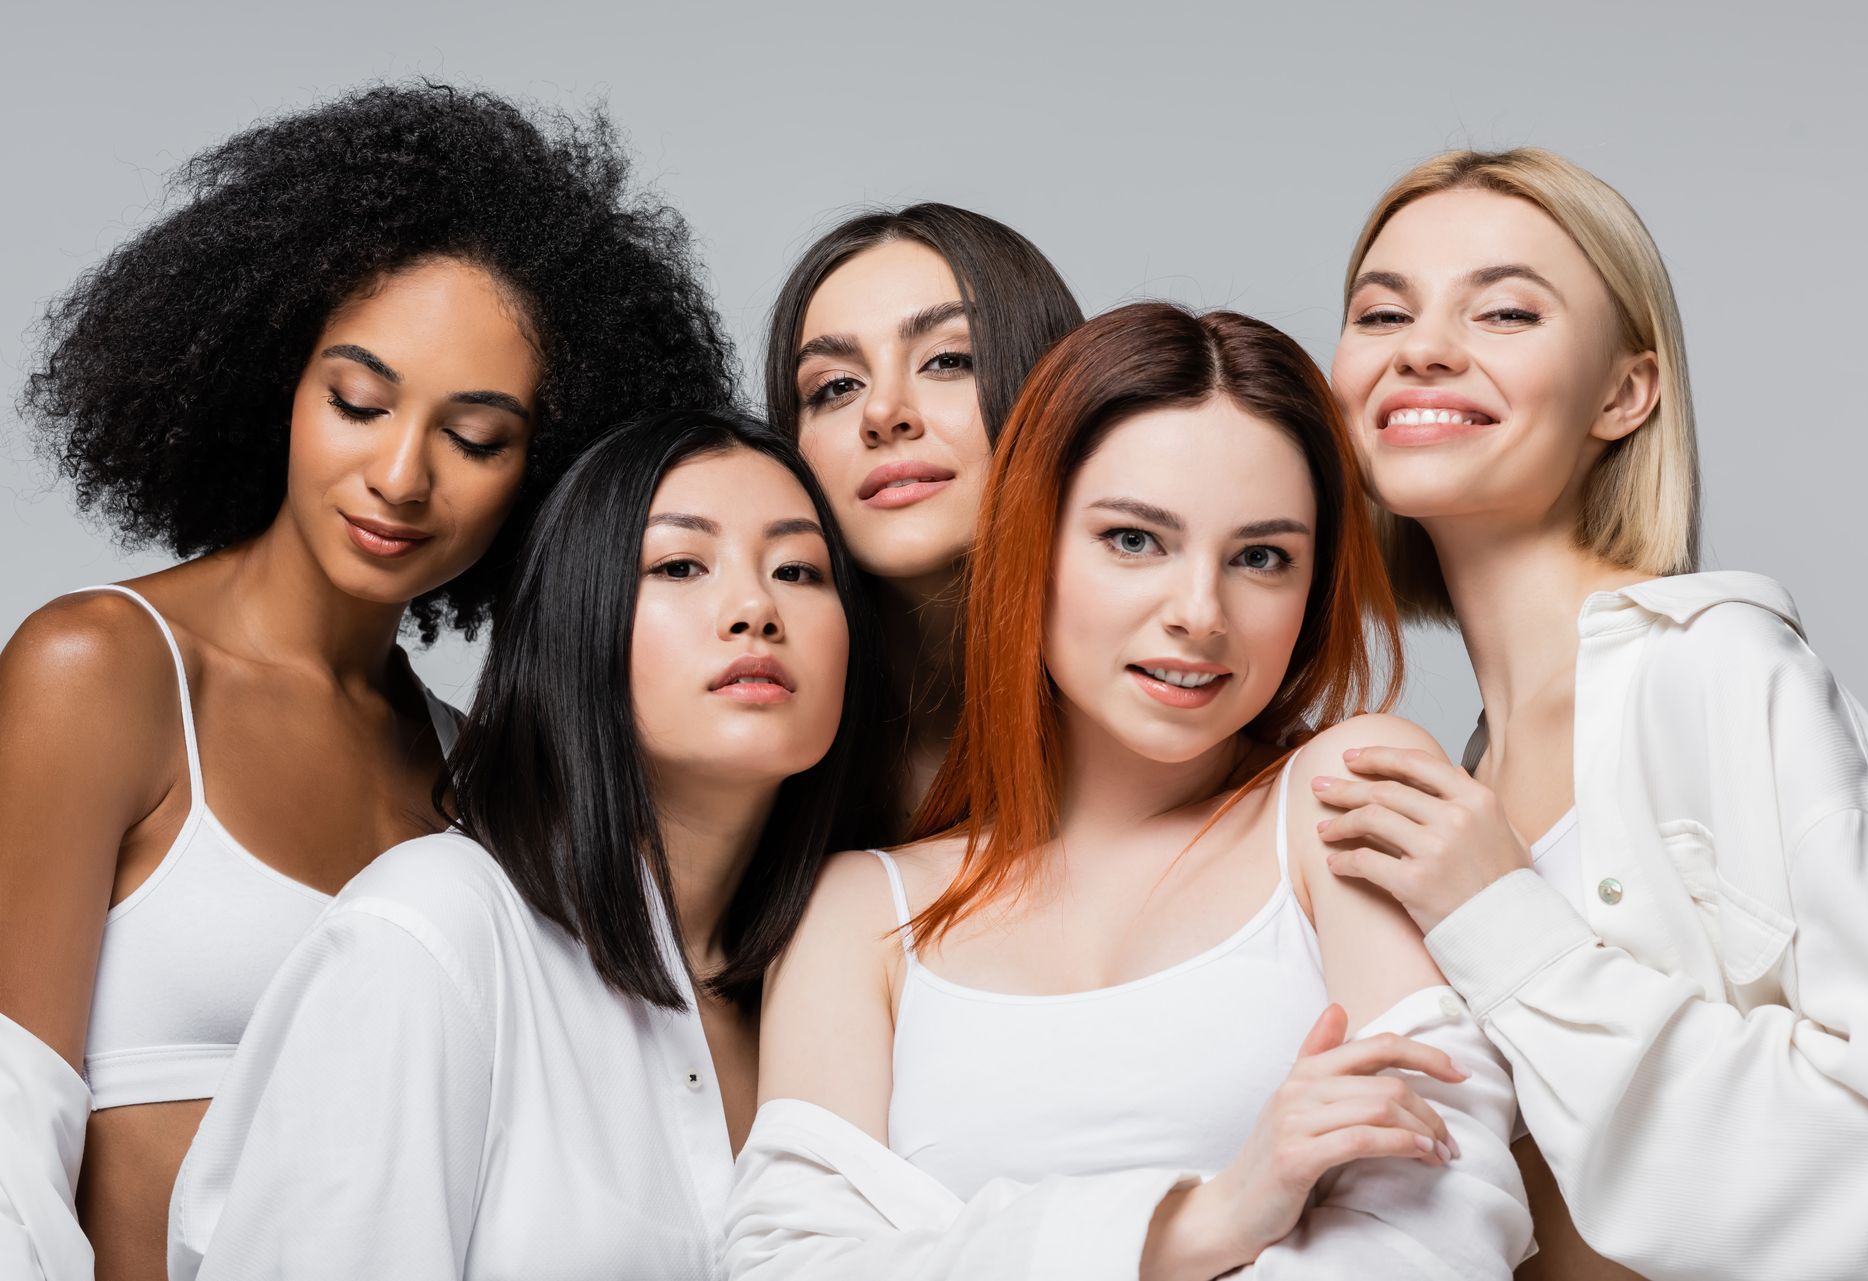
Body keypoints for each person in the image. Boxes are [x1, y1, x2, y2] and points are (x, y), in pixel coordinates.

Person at [0, 84, 732, 1280]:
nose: (400, 473)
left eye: (477, 438)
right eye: (359, 399)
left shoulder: (475, 774)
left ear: (540, 479)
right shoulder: (104, 673)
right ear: (275, 379)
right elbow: (5, 1135)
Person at [726, 303, 1531, 1279]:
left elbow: (1441, 1233)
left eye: (1261, 558)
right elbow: (787, 1269)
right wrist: (1203, 1223)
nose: (1199, 613)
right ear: (1034, 545)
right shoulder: (859, 912)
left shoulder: (1342, 796)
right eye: (1135, 541)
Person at [1319, 146, 1868, 1280]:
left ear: (1624, 393)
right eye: (1381, 310)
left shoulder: (1721, 671)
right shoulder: (1468, 774)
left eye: (1503, 311)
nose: (1424, 347)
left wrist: (1501, 919)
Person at [169, 409, 883, 1278]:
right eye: (680, 565)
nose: (754, 609)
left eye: (799, 569)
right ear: (575, 621)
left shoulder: (842, 989)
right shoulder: (432, 935)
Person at [764, 204, 1083, 830]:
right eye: (834, 387)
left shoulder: (1177, 736)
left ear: (1055, 390)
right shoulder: (760, 753)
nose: (882, 412)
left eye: (947, 361)